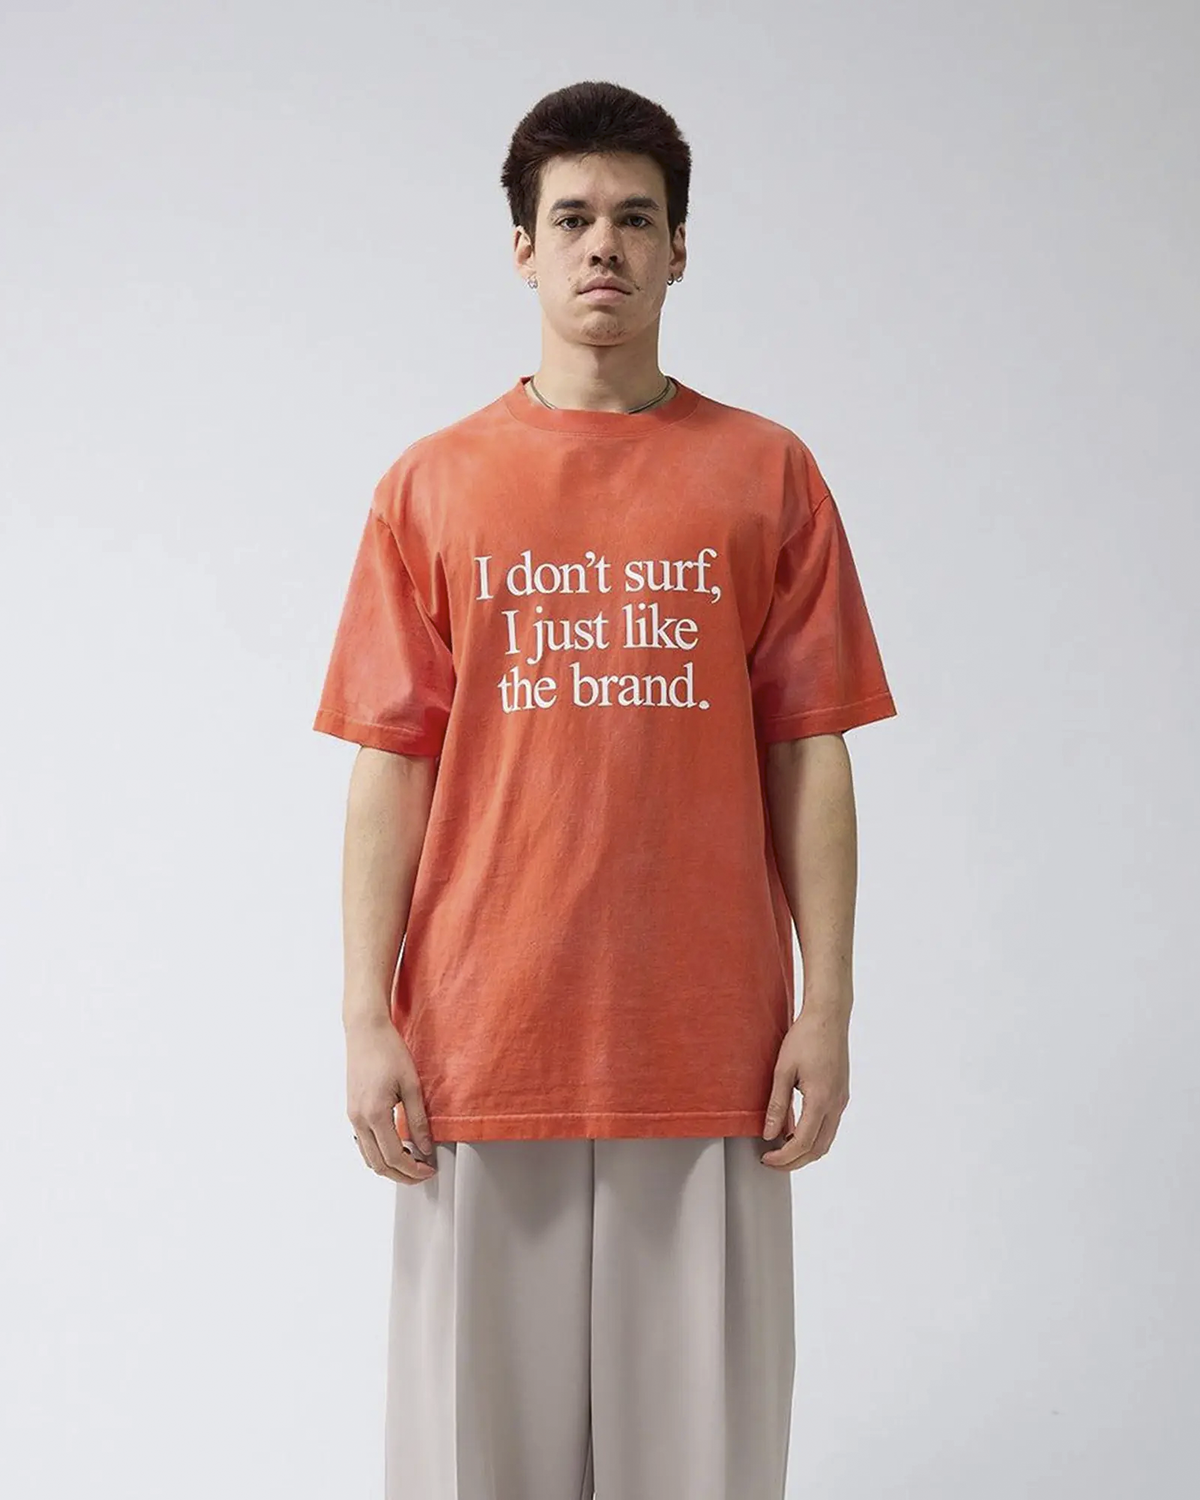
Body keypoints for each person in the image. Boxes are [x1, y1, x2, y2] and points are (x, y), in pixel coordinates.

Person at [312, 78, 898, 1500]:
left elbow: (809, 749)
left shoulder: (767, 475)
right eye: (571, 218)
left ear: (681, 249)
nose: (604, 247)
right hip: (479, 1038)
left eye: (637, 220)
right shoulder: (431, 487)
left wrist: (826, 1003)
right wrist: (367, 1014)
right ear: (521, 247)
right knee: (477, 1467)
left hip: (707, 1042)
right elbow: (393, 763)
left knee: (700, 1468)